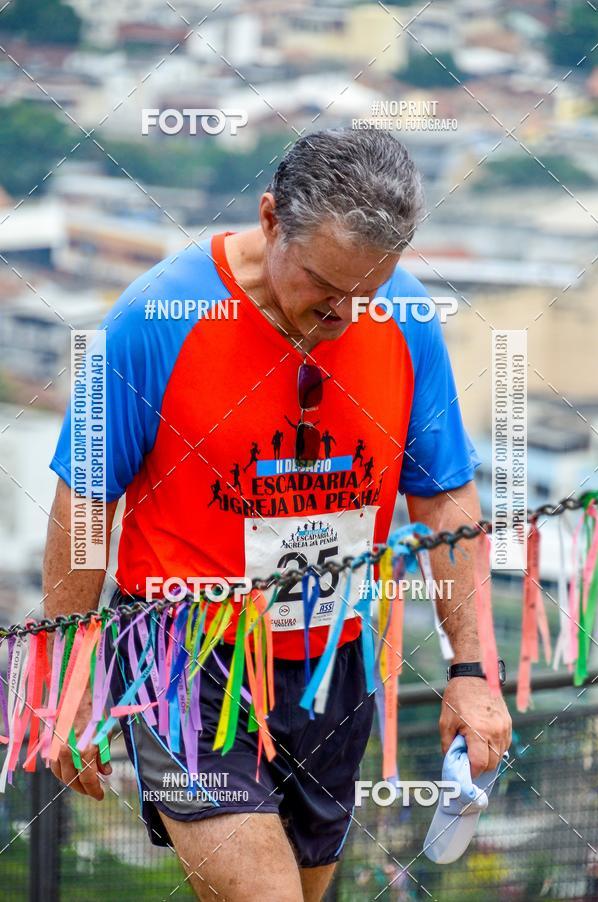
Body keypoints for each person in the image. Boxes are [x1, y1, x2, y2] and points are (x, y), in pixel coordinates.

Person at [44, 128, 511, 902]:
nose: (343, 314)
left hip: (335, 661)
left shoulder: (406, 319)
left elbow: (443, 494)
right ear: (269, 218)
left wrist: (471, 670)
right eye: (324, 286)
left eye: (366, 294)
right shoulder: (157, 315)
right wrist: (68, 676)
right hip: (185, 659)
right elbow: (88, 499)